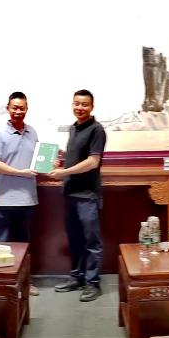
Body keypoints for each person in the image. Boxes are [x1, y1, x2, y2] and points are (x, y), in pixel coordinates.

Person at [49, 89, 107, 302]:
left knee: (92, 242)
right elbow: (76, 159)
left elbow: (93, 162)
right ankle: (77, 277)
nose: (80, 108)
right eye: (76, 103)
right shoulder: (74, 128)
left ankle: (92, 283)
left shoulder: (97, 130)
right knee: (74, 239)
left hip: (88, 195)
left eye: (84, 104)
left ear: (92, 107)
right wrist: (61, 163)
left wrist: (64, 172)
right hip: (70, 192)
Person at [0, 91, 40, 294]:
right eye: (15, 108)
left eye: (22, 108)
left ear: (27, 109)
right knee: (1, 246)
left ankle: (26, 283)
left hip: (27, 199)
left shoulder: (33, 132)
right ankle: (3, 285)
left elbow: (38, 160)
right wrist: (20, 172)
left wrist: (50, 162)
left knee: (24, 245)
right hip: (4, 200)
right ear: (8, 109)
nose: (18, 111)